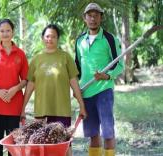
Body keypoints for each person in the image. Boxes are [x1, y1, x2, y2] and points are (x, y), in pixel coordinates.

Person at [21, 24, 87, 156]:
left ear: (58, 39)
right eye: (47, 36)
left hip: (61, 110)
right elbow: (30, 86)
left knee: (65, 145)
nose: (50, 39)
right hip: (42, 111)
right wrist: (22, 108)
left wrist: (82, 106)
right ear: (42, 38)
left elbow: (74, 83)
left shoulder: (65, 57)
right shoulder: (36, 59)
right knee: (42, 146)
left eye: (53, 36)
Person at [75, 3, 124, 156]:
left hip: (104, 90)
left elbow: (120, 65)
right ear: (85, 18)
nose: (93, 18)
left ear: (101, 18)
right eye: (90, 15)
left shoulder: (109, 39)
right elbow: (77, 68)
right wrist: (76, 88)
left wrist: (107, 75)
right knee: (92, 133)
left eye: (96, 15)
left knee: (108, 132)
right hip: (86, 92)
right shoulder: (79, 41)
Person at [0, 19, 29, 156]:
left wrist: (15, 89)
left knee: (13, 147)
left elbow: (26, 79)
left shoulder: (20, 54)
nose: (5, 33)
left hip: (14, 107)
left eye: (8, 30)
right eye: (2, 31)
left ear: (13, 32)